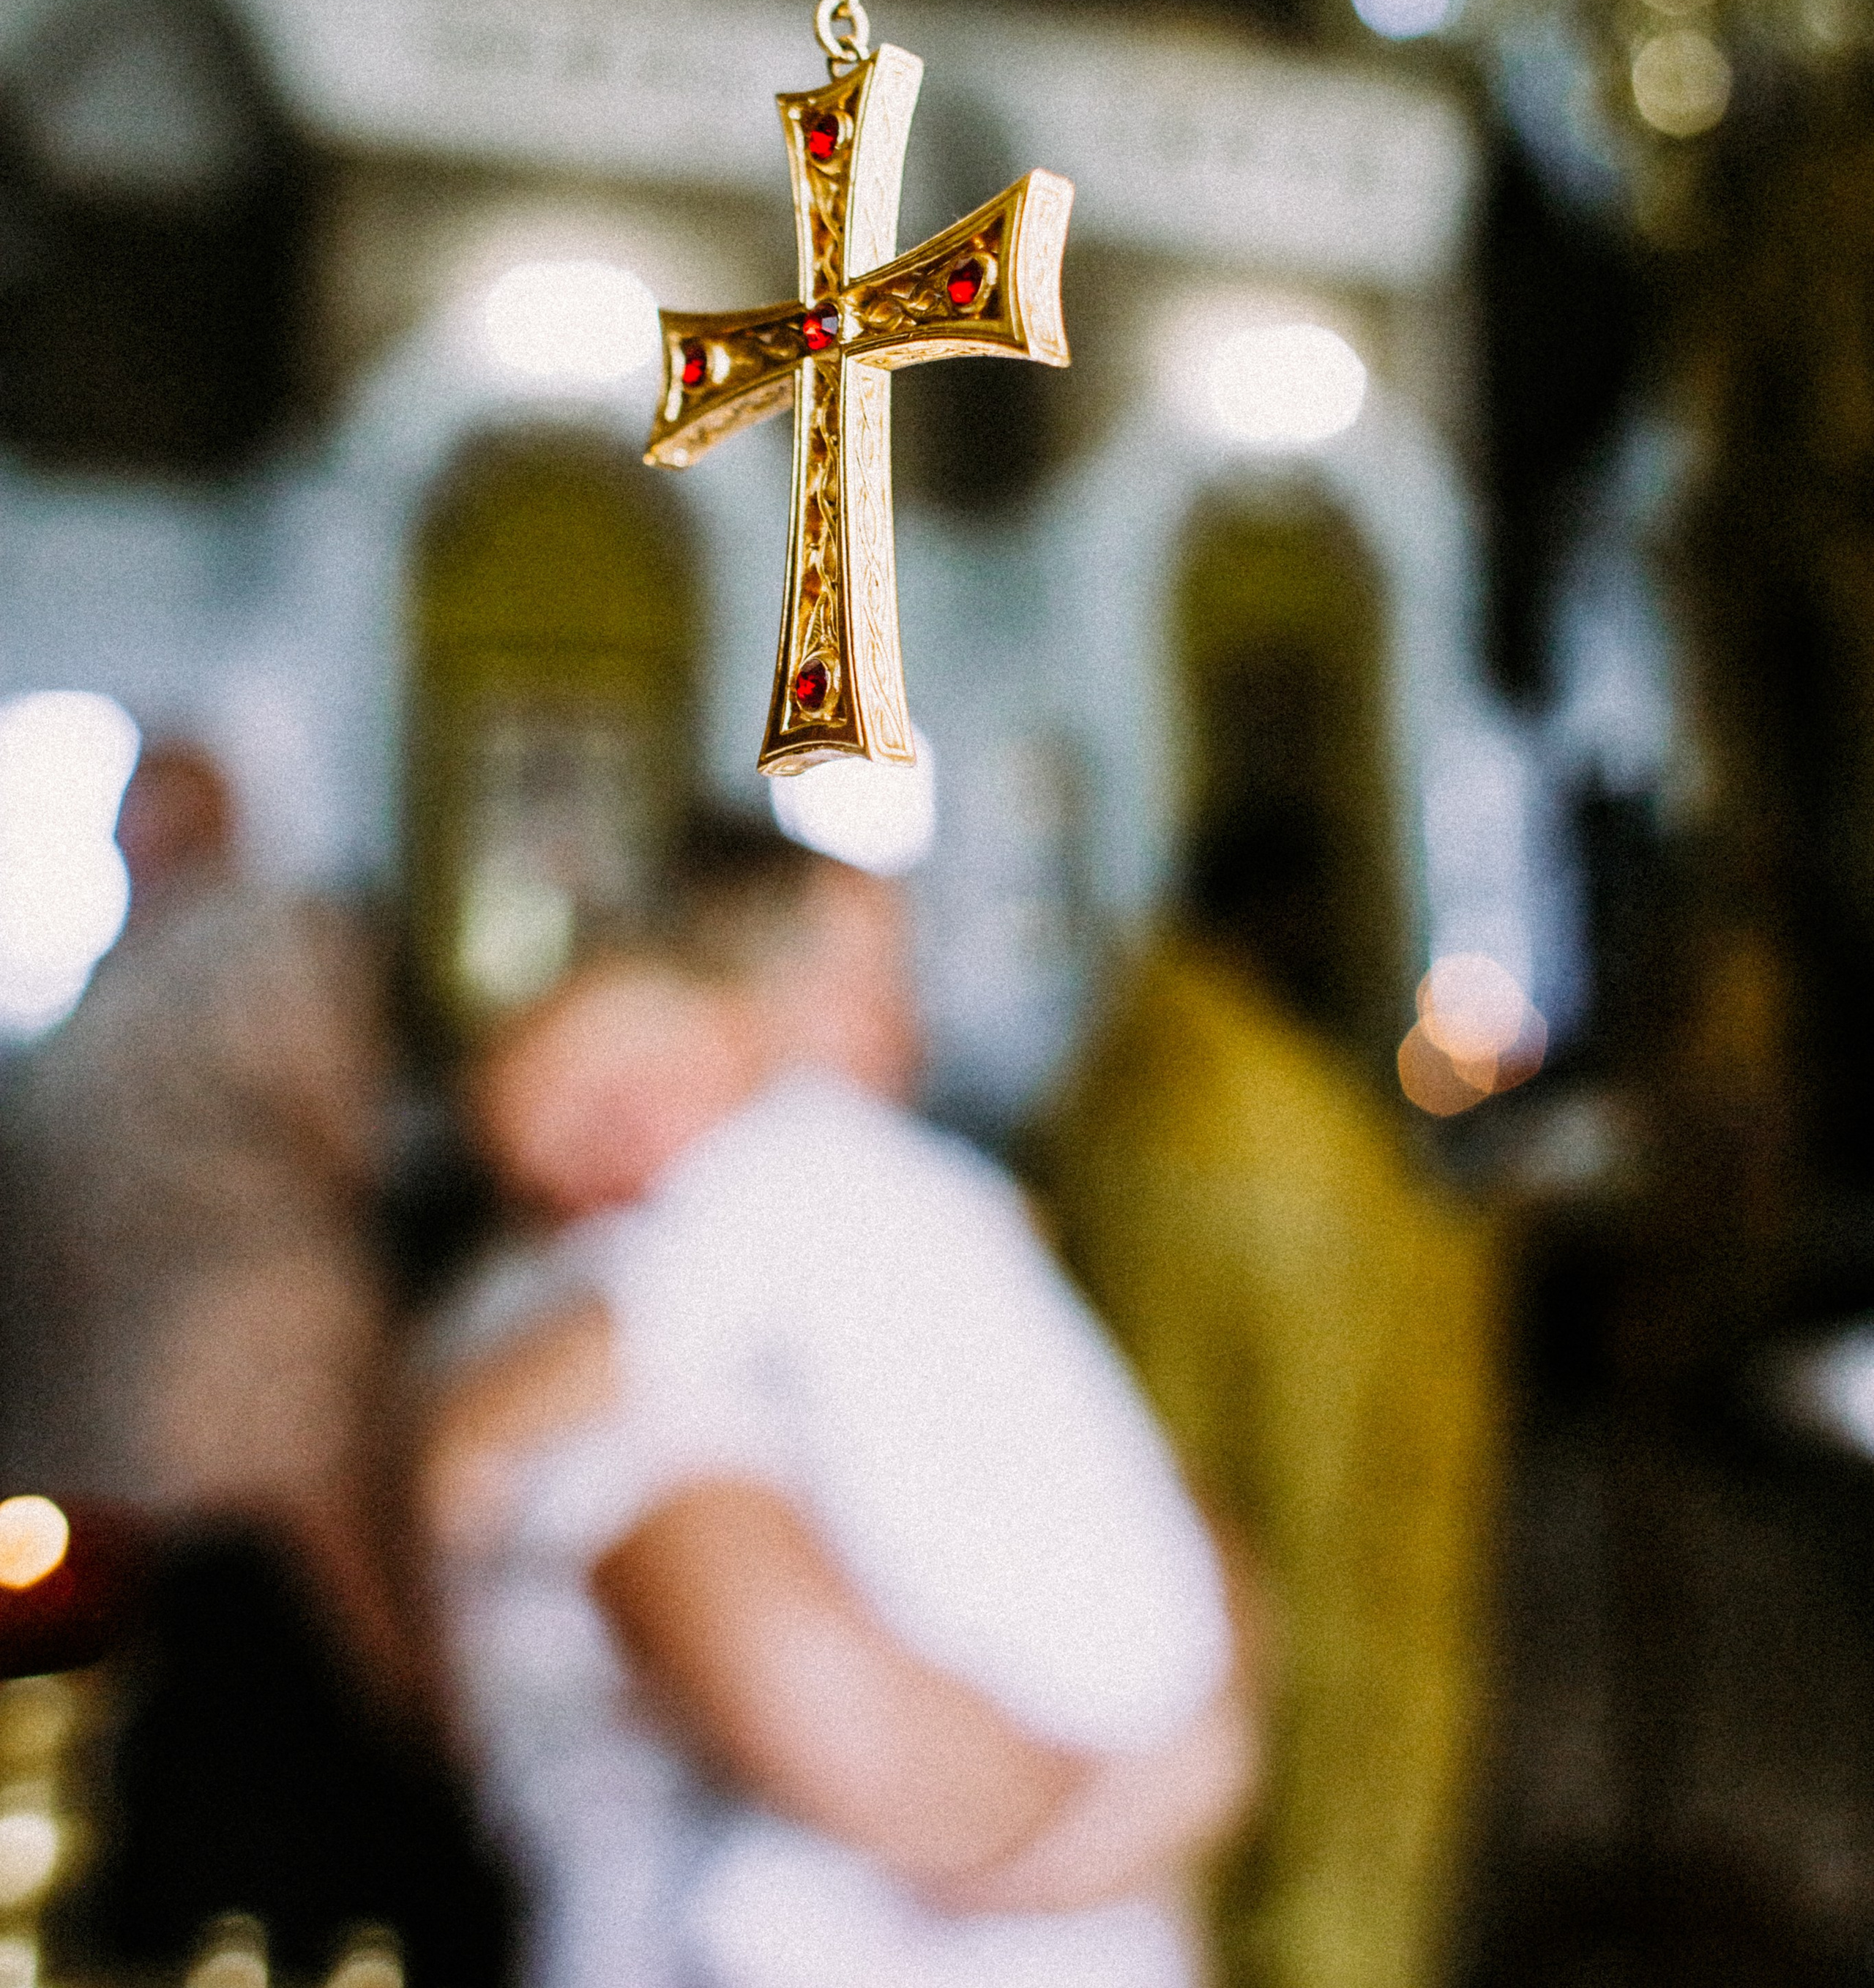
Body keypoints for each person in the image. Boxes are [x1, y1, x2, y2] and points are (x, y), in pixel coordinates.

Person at [423, 813, 1255, 1988]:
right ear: (709, 1000)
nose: (901, 1031)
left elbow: (1145, 1505)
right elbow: (851, 1733)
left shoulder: (865, 1228)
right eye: (849, 985)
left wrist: (1190, 1736)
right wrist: (1132, 1801)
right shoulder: (617, 1286)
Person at [0, 738, 512, 1982]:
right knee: (281, 1700)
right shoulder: (176, 969)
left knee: (280, 1691)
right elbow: (355, 1145)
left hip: (207, 1401)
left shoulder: (202, 961)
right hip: (237, 1401)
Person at [1041, 792, 1505, 1988]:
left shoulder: (1121, 1068)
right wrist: (1482, 1247)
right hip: (1280, 1564)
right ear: (1288, 916)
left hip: (1138, 1568)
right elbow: (1368, 1345)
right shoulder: (1270, 1119)